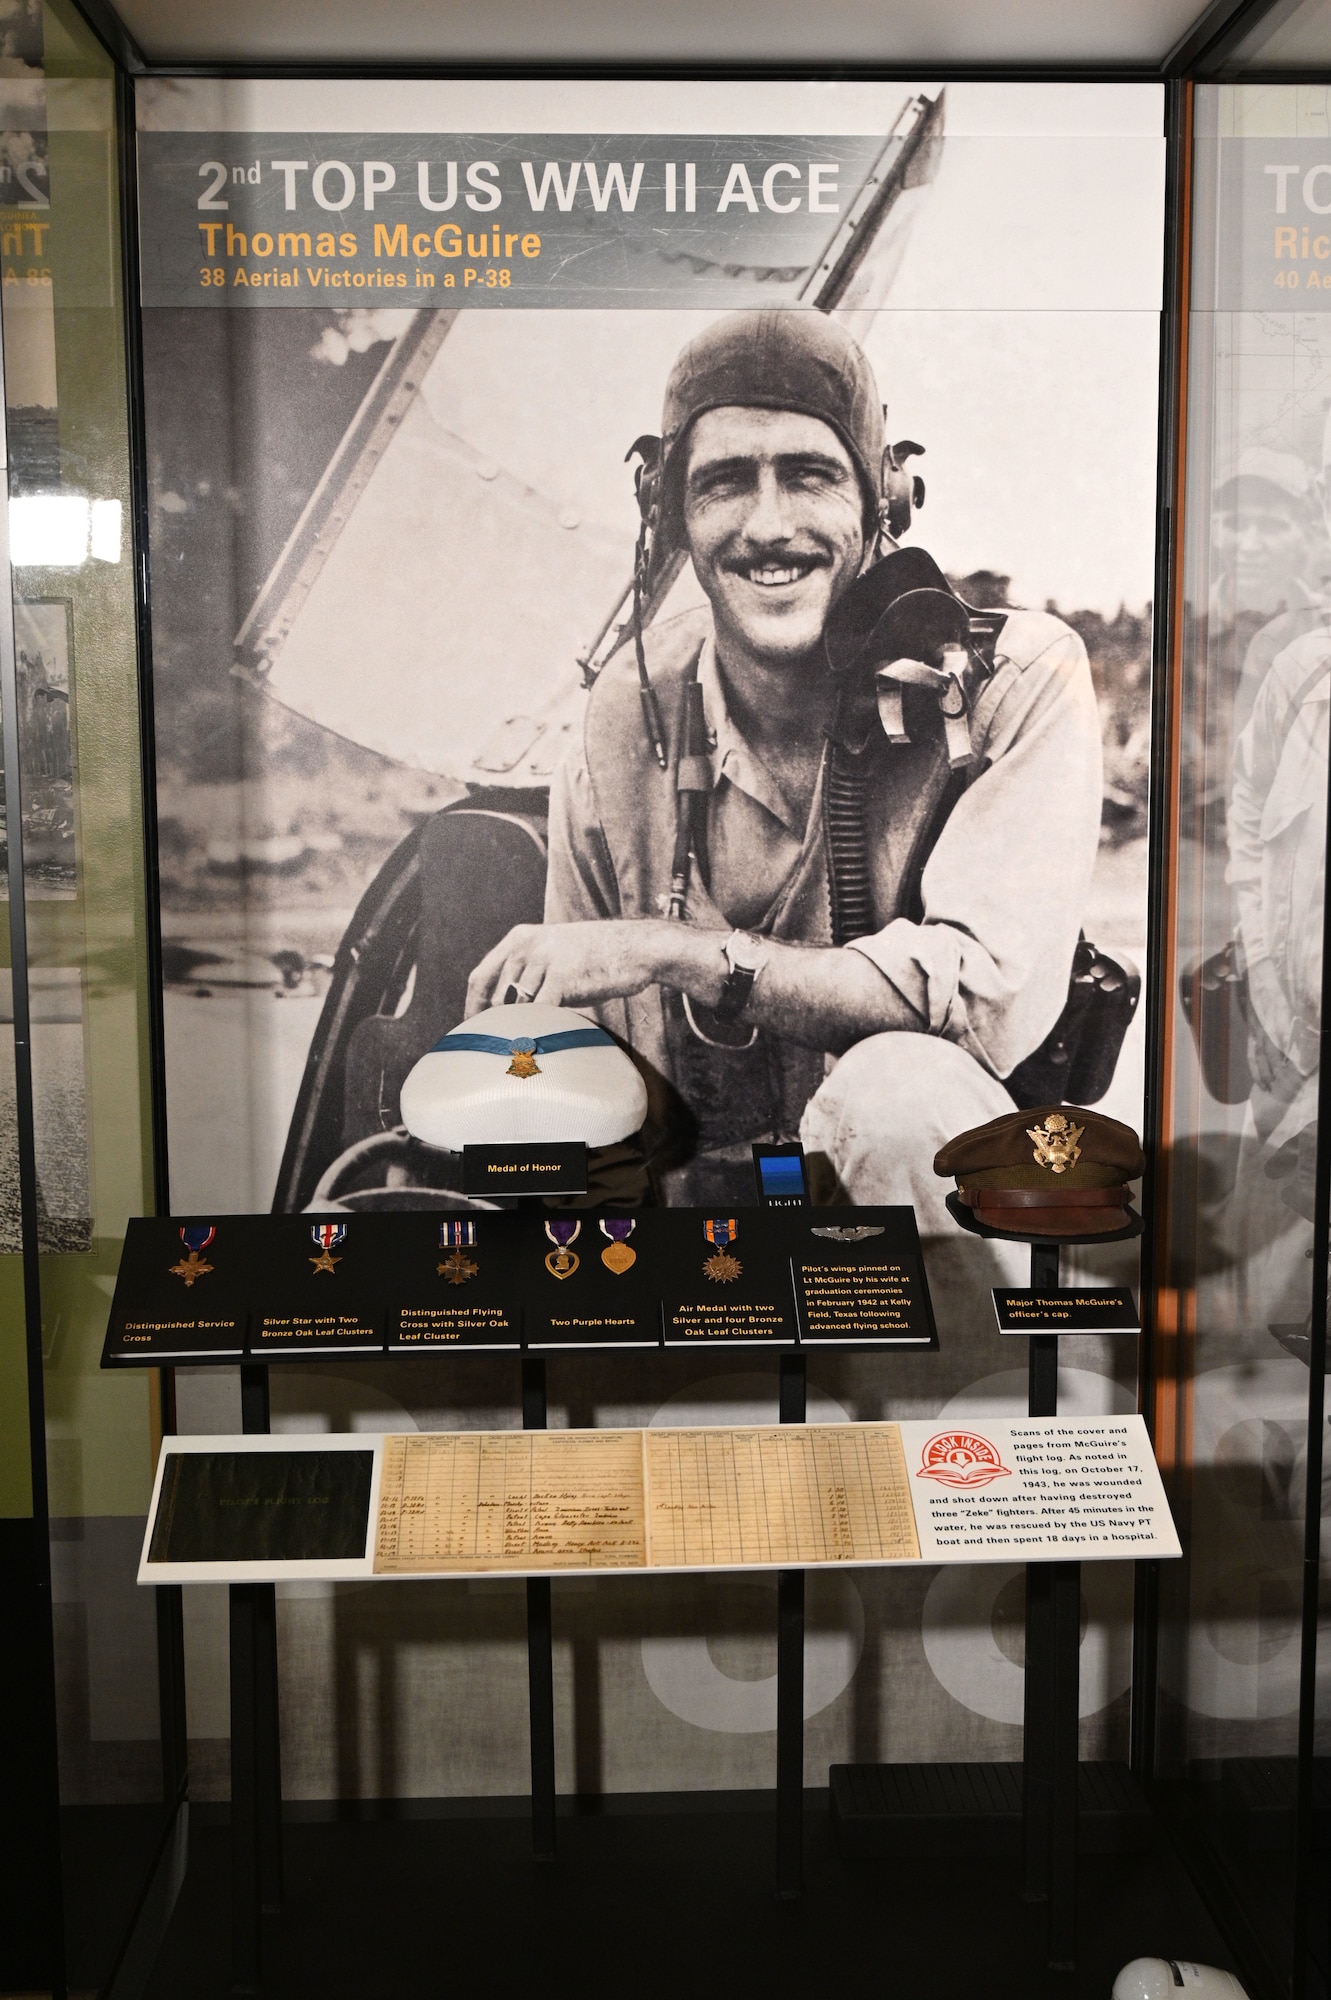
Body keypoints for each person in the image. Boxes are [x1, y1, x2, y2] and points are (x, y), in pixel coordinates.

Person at [467, 309, 1103, 1233]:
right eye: (724, 482)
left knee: (896, 1088)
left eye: (809, 475)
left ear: (883, 498)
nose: (768, 527)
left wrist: (667, 949)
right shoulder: (625, 709)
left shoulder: (1014, 682)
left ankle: (964, 1381)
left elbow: (973, 1004)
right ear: (668, 509)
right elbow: (579, 1049)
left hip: (938, 1231)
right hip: (702, 1234)